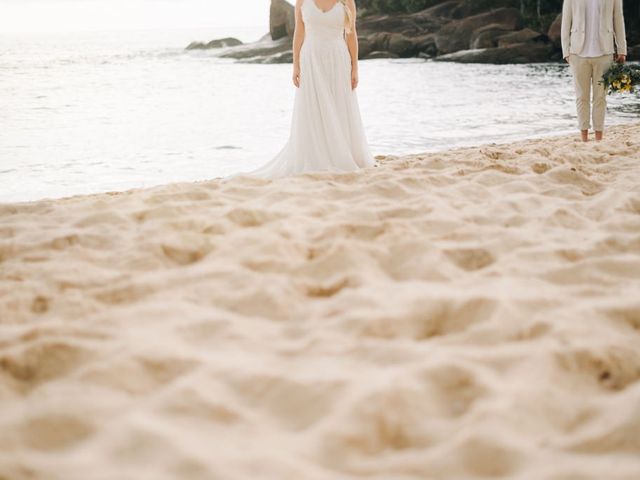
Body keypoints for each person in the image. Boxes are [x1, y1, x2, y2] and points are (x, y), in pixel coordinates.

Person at [231, 0, 375, 179]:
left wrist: (355, 67)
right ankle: (317, 156)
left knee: (339, 105)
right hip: (311, 59)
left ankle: (342, 153)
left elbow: (351, 34)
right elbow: (299, 32)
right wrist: (296, 65)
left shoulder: (347, 1)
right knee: (313, 110)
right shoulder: (302, 1)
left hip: (338, 59)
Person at [561, 0, 627, 142]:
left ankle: (598, 138)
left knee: (600, 98)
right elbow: (566, 20)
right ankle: (584, 138)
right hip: (578, 54)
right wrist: (566, 51)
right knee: (581, 97)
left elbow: (618, 18)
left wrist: (621, 49)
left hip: (604, 53)